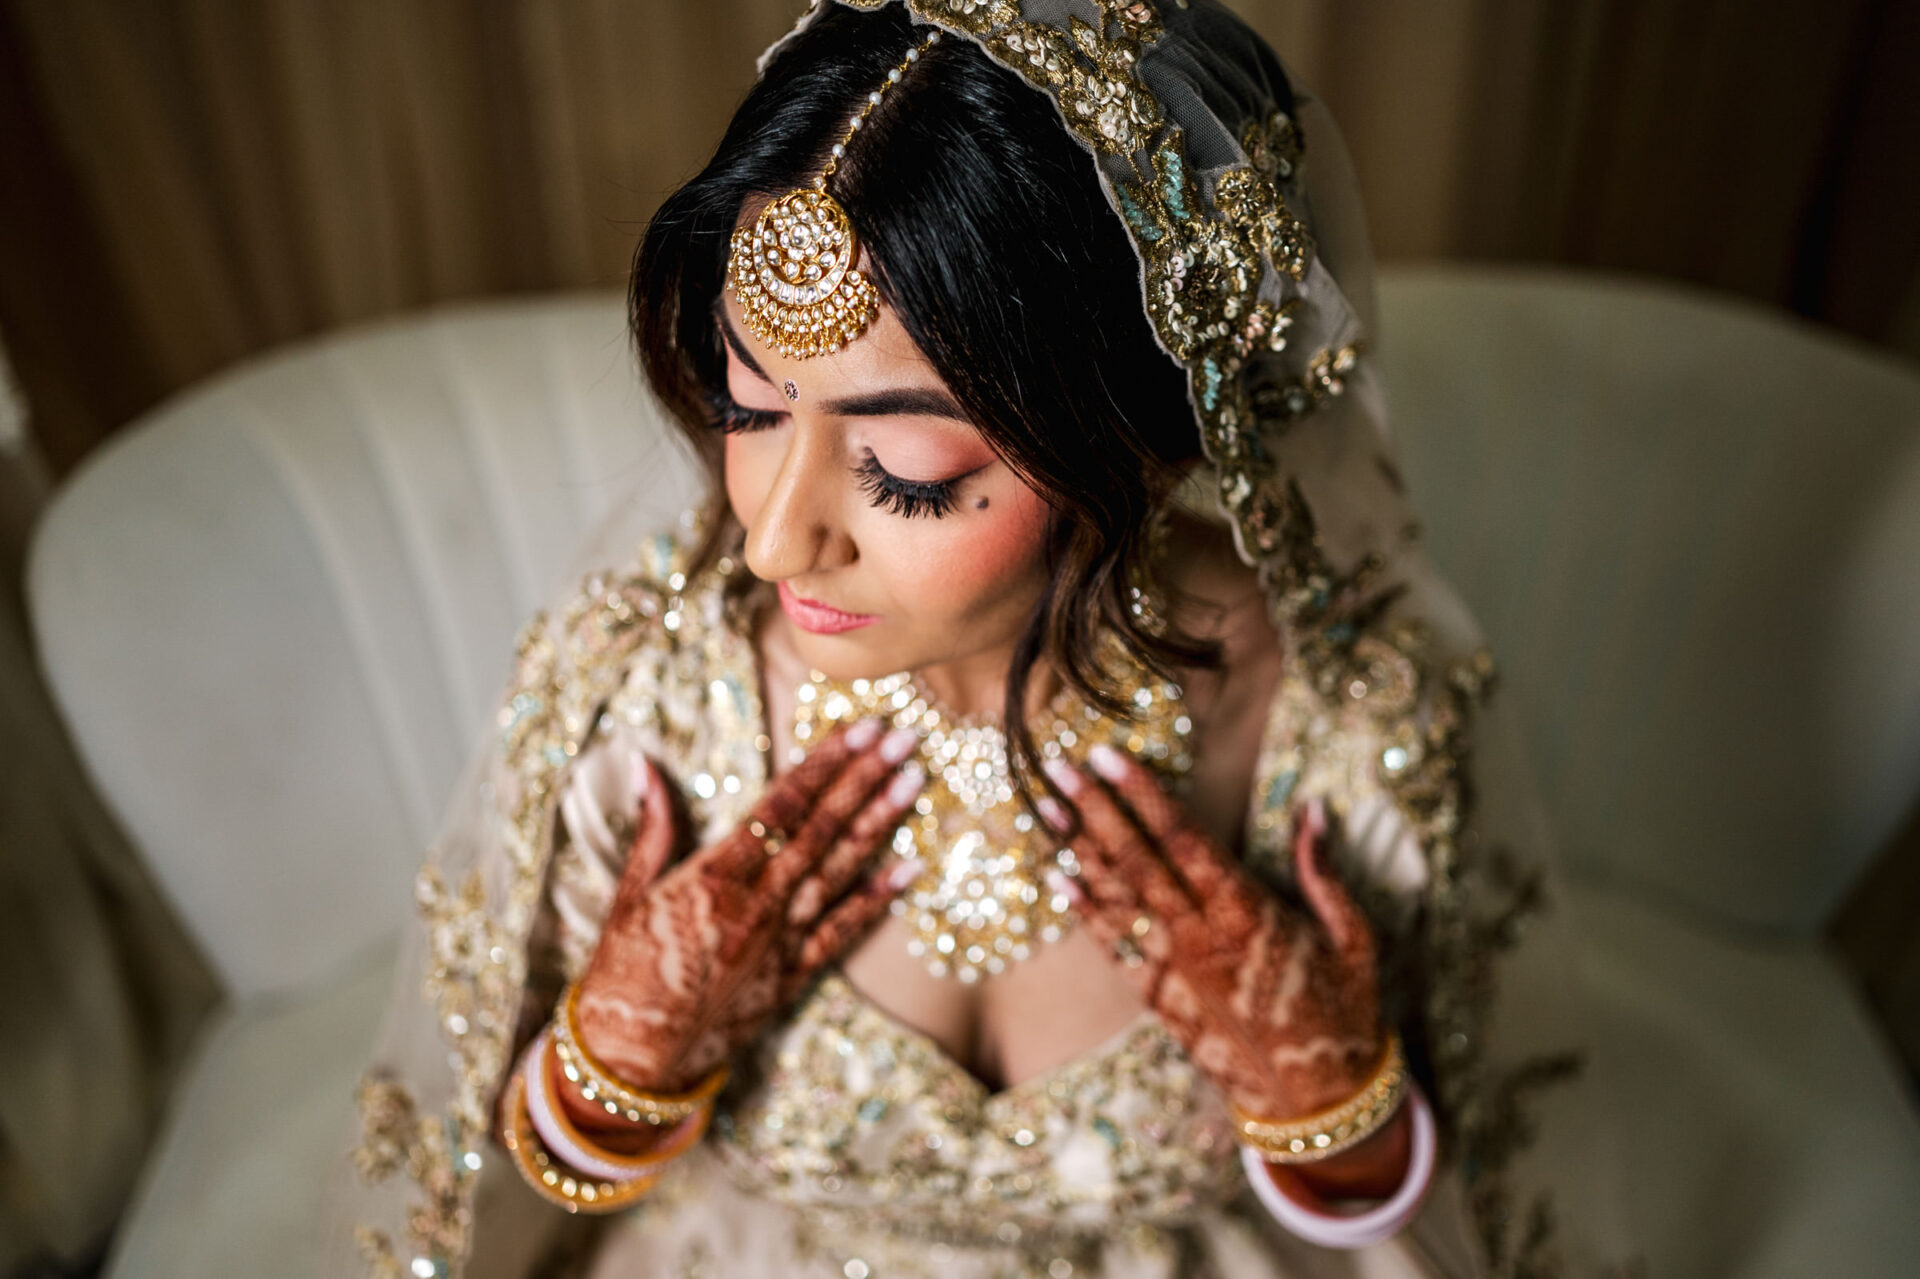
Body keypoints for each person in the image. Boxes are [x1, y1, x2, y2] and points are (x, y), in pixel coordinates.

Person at [326, 3, 1630, 1276]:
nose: (777, 543)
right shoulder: (647, 710)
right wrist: (610, 1067)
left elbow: (1482, 1203)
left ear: (1146, 435)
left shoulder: (1350, 726)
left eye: (904, 472)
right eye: (747, 410)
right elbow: (472, 1206)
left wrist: (1336, 1100)